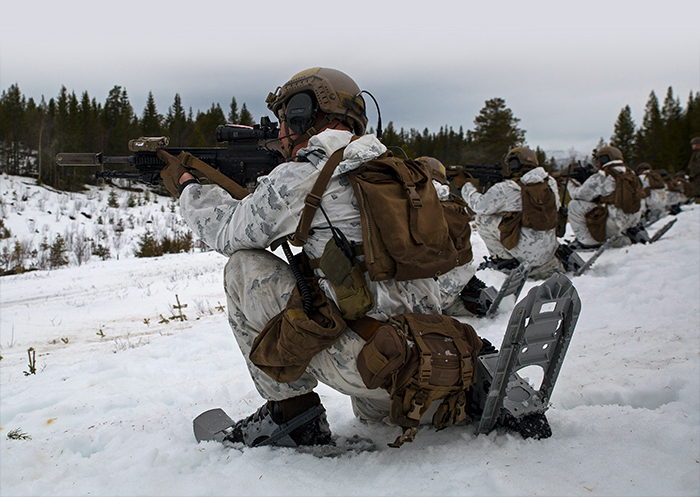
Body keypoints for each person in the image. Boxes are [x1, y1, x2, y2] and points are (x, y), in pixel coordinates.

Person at [158, 68, 480, 447]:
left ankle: (293, 418)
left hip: (366, 366)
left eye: (286, 119)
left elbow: (227, 231)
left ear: (308, 115)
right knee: (370, 412)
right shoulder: (405, 175)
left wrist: (187, 187)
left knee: (243, 266)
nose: (280, 132)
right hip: (418, 363)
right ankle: (459, 390)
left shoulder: (305, 175)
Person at [460, 146, 564, 280]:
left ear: (515, 164)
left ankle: (504, 261)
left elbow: (478, 205)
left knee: (482, 218)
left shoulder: (507, 188)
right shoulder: (550, 183)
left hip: (526, 255)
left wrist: (465, 186)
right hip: (548, 253)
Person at [566, 146, 643, 249]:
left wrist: (570, 183)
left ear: (605, 159)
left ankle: (588, 242)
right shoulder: (630, 173)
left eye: (598, 160)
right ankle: (621, 239)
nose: (597, 164)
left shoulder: (602, 176)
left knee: (574, 205)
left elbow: (578, 195)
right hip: (632, 221)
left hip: (614, 223)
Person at [688, 137, 700, 201]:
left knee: (697, 193)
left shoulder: (698, 153)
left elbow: (698, 166)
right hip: (696, 177)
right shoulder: (696, 153)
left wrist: (692, 175)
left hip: (697, 177)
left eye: (694, 144)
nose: (692, 146)